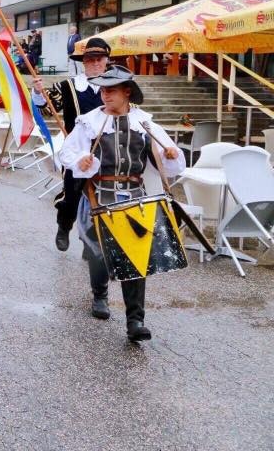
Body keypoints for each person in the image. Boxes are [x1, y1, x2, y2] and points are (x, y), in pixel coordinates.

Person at [58, 66, 185, 342]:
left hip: (134, 197)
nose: (105, 95)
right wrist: (81, 160)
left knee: (135, 257)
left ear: (127, 92)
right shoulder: (88, 122)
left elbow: (171, 159)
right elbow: (67, 152)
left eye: (111, 90)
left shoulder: (145, 123)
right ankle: (100, 295)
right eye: (103, 90)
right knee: (98, 253)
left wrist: (171, 154)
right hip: (98, 194)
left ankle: (135, 320)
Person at [32, 37, 110, 252]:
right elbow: (47, 109)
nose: (95, 63)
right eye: (90, 59)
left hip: (107, 149)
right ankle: (64, 226)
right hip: (76, 150)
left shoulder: (115, 86)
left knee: (104, 195)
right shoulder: (68, 86)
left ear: (106, 61)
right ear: (83, 62)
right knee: (72, 192)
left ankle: (92, 241)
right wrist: (38, 93)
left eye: (100, 59)